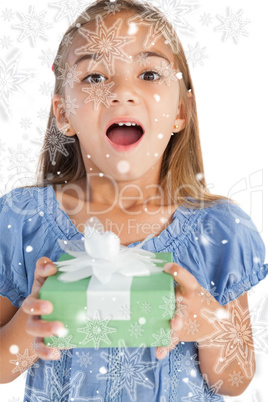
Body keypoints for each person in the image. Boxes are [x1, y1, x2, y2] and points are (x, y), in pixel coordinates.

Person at [0, 0, 267, 400]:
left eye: (148, 73)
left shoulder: (219, 229)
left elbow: (237, 379)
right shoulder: (23, 220)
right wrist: (28, 325)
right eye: (93, 76)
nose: (122, 92)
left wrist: (211, 327)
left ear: (181, 110)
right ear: (63, 113)